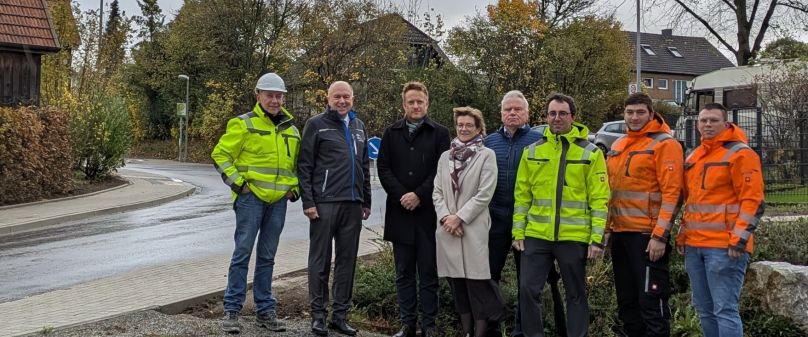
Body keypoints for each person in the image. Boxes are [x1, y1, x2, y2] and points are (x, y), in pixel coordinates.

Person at [512, 93, 610, 337]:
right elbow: (522, 196)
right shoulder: (532, 151)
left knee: (576, 293)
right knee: (527, 290)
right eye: (552, 113)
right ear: (546, 117)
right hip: (536, 235)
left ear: (573, 117)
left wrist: (596, 238)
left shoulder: (590, 153)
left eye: (562, 113)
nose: (557, 118)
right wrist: (518, 232)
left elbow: (599, 199)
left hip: (573, 236)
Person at [211, 72, 300, 333]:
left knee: (268, 257)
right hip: (251, 201)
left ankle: (265, 310)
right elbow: (220, 155)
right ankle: (232, 310)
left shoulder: (292, 130)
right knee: (242, 254)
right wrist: (240, 185)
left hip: (278, 203)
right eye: (270, 95)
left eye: (279, 95)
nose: (275, 100)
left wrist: (293, 190)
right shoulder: (243, 124)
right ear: (258, 95)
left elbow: (297, 167)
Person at [676, 102, 764, 337]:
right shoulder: (695, 156)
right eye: (703, 120)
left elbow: (753, 200)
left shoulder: (741, 154)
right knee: (704, 310)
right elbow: (692, 203)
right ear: (697, 124)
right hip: (695, 246)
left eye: (713, 120)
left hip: (725, 247)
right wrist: (683, 236)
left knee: (724, 310)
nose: (707, 124)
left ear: (726, 124)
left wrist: (739, 239)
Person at [605, 92, 683, 337]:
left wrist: (660, 236)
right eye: (629, 112)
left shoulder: (665, 144)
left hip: (647, 238)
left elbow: (673, 194)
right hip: (620, 234)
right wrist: (607, 230)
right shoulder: (619, 144)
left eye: (640, 112)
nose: (634, 117)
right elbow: (610, 193)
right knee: (627, 304)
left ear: (651, 113)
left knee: (652, 302)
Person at [297, 81, 372, 336]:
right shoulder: (316, 125)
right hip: (324, 202)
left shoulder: (359, 126)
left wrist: (367, 200)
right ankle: (318, 315)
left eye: (346, 97)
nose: (342, 101)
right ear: (328, 99)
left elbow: (364, 165)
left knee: (346, 262)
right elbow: (304, 165)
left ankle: (340, 316)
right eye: (337, 96)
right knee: (319, 262)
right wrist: (308, 201)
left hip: (353, 205)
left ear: (353, 98)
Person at [378, 81, 450, 337]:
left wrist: (419, 195)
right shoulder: (391, 133)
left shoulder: (440, 134)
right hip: (400, 213)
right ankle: (407, 324)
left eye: (420, 101)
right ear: (404, 105)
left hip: (429, 214)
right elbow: (383, 168)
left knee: (429, 272)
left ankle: (429, 325)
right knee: (404, 273)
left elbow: (442, 170)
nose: (416, 106)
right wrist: (402, 196)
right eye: (411, 102)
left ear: (427, 103)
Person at [433, 107, 504, 337]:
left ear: (478, 128)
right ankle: (466, 331)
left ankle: (480, 333)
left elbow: (484, 193)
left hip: (471, 228)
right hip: (448, 229)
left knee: (477, 284)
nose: (464, 129)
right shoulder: (446, 156)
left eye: (469, 125)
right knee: (458, 285)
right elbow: (437, 191)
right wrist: (446, 217)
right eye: (460, 125)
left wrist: (459, 217)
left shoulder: (486, 155)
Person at [483, 90, 543, 337]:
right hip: (495, 219)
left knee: (526, 281)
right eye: (508, 109)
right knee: (489, 276)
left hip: (527, 223)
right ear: (501, 113)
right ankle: (492, 327)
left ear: (527, 113)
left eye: (518, 109)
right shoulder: (488, 142)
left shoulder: (539, 141)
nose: (513, 113)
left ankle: (521, 330)